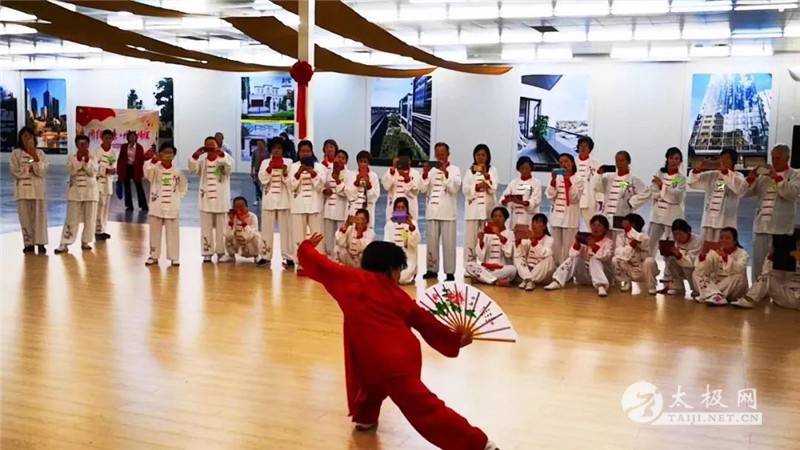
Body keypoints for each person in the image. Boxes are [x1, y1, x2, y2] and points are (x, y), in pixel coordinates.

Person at [296, 234, 499, 450]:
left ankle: (480, 445)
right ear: (390, 269)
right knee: (374, 384)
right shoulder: (397, 295)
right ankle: (365, 417)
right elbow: (425, 321)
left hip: (386, 359)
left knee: (424, 409)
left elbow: (320, 264)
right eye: (399, 269)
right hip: (397, 358)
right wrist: (454, 340)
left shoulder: (346, 278)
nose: (399, 275)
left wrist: (307, 246)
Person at [742, 144, 800, 284]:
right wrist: (751, 178)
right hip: (761, 226)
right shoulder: (763, 177)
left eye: (778, 158)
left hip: (781, 229)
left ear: (787, 158)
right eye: (773, 158)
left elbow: (791, 194)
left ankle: (778, 291)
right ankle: (757, 290)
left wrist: (776, 177)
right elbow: (744, 193)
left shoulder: (795, 174)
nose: (774, 161)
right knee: (759, 263)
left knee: (779, 266)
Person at [631, 147, 686, 256]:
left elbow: (676, 197)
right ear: (667, 159)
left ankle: (671, 267)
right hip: (657, 215)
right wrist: (663, 191)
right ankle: (648, 264)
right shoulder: (660, 173)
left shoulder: (680, 178)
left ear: (680, 161)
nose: (674, 161)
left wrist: (662, 186)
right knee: (650, 244)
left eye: (676, 158)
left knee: (671, 246)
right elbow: (654, 192)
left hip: (672, 216)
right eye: (671, 158)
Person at [420, 142, 462, 282]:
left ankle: (450, 272)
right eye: (437, 155)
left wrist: (446, 173)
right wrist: (425, 174)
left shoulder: (455, 170)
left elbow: (454, 188)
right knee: (431, 242)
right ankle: (431, 269)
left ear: (448, 154)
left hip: (448, 211)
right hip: (432, 211)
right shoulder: (431, 170)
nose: (440, 157)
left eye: (442, 154)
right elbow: (422, 189)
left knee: (449, 244)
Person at [545, 215, 614, 297]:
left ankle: (601, 286)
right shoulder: (586, 239)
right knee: (574, 259)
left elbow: (606, 256)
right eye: (594, 225)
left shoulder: (609, 242)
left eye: (599, 226)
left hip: (603, 275)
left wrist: (594, 246)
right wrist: (577, 244)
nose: (596, 228)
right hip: (586, 275)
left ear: (605, 229)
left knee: (594, 259)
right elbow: (572, 255)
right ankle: (558, 281)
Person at [189, 136, 234, 263]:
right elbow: (193, 169)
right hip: (206, 198)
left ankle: (221, 252)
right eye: (207, 144)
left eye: (212, 144)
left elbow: (230, 168)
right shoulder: (202, 161)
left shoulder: (224, 158)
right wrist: (196, 155)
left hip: (221, 198)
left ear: (217, 145)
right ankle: (207, 253)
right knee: (206, 227)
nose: (210, 146)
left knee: (222, 227)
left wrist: (221, 155)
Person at [688, 148, 748, 242]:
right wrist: (697, 170)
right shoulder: (713, 174)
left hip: (725, 221)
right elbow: (693, 183)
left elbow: (740, 189)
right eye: (721, 157)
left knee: (722, 247)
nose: (723, 160)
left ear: (733, 161)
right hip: (708, 220)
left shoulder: (737, 176)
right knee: (706, 247)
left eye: (726, 158)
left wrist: (725, 172)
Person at [143, 142, 188, 267]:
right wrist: (154, 160)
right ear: (160, 153)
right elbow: (147, 174)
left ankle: (174, 257)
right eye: (165, 152)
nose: (168, 155)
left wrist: (177, 198)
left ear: (174, 155)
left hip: (172, 206)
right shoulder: (154, 168)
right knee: (154, 233)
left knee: (173, 233)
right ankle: (153, 256)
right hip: (157, 205)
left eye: (170, 153)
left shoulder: (177, 172)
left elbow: (183, 186)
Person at [55, 135, 99, 254]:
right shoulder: (71, 158)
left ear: (88, 145)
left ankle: (86, 241)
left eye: (85, 144)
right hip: (75, 191)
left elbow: (93, 172)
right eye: (80, 144)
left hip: (90, 191)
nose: (82, 146)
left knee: (90, 218)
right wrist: (79, 160)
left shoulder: (93, 157)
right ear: (76, 145)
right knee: (71, 218)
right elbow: (71, 171)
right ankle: (64, 243)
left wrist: (87, 160)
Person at [289, 140, 326, 275]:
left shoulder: (319, 167)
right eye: (302, 151)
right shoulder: (293, 167)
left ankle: (318, 263)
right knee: (298, 235)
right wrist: (298, 173)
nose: (305, 154)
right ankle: (300, 263)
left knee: (317, 234)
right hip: (298, 206)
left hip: (314, 205)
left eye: (308, 151)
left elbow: (321, 186)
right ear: (298, 153)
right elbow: (290, 186)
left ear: (312, 152)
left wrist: (313, 173)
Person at [732, 237, 800, 310]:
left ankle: (749, 299)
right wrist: (771, 257)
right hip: (785, 293)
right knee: (766, 278)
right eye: (798, 244)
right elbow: (765, 273)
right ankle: (749, 300)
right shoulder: (781, 255)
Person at [11, 127, 49, 254]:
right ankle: (28, 243)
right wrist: (29, 170)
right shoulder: (16, 154)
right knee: (25, 218)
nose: (27, 138)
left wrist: (34, 156)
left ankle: (41, 243)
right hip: (22, 191)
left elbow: (42, 171)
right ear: (20, 138)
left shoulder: (40, 153)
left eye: (29, 136)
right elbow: (14, 171)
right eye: (24, 136)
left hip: (37, 190)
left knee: (40, 218)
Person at [258, 138, 294, 268]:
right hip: (269, 200)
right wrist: (269, 169)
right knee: (266, 229)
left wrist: (285, 173)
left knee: (286, 230)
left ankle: (289, 257)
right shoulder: (265, 162)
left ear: (283, 150)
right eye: (274, 148)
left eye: (279, 148)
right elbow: (262, 179)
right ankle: (265, 256)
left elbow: (291, 182)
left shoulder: (289, 162)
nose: (276, 150)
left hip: (284, 200)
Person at [595, 150, 645, 241]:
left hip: (622, 216)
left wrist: (631, 203)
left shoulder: (633, 179)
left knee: (620, 241)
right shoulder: (609, 178)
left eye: (622, 160)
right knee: (607, 242)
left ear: (629, 161)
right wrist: (599, 174)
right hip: (607, 216)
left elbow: (644, 194)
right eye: (617, 161)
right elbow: (598, 188)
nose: (619, 163)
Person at [692, 227, 749, 306]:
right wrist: (703, 255)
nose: (723, 240)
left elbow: (738, 269)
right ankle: (715, 296)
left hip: (733, 288)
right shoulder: (714, 252)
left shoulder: (743, 254)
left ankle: (710, 295)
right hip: (717, 284)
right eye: (721, 238)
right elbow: (702, 270)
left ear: (734, 241)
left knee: (738, 277)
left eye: (727, 238)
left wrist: (725, 257)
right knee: (696, 273)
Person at [545, 153, 584, 265]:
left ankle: (567, 270)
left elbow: (574, 198)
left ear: (572, 163)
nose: (563, 164)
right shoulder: (557, 178)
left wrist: (567, 180)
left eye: (566, 161)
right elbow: (550, 195)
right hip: (556, 217)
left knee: (568, 247)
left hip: (570, 218)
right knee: (555, 247)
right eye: (561, 162)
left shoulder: (578, 179)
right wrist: (553, 181)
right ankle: (556, 268)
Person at [463, 144, 498, 267]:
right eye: (478, 155)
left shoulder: (492, 170)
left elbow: (494, 188)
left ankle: (487, 265)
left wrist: (486, 176)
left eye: (483, 155)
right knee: (471, 240)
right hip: (473, 211)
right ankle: (470, 266)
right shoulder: (470, 170)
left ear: (487, 156)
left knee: (487, 238)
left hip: (488, 210)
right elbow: (465, 189)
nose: (480, 157)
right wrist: (477, 187)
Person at [464, 206, 516, 286]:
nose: (497, 219)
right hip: (486, 268)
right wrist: (481, 241)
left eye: (500, 216)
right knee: (469, 265)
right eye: (495, 216)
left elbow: (508, 254)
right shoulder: (486, 233)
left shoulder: (510, 233)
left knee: (513, 270)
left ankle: (482, 279)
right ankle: (496, 281)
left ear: (505, 219)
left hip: (501, 268)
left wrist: (499, 235)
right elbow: (481, 258)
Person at [612, 213, 658, 295]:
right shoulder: (620, 237)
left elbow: (642, 242)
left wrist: (631, 232)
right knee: (616, 259)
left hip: (643, 269)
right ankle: (626, 282)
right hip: (629, 268)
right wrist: (631, 245)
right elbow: (619, 252)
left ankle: (651, 286)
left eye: (627, 223)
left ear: (633, 224)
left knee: (650, 261)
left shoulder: (644, 236)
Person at [657, 219, 703, 298]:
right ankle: (677, 287)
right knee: (671, 259)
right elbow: (667, 261)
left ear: (688, 232)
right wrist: (665, 252)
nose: (677, 237)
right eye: (675, 234)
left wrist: (679, 255)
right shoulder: (671, 238)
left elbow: (693, 262)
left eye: (680, 234)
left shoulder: (697, 241)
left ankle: (695, 289)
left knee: (687, 267)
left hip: (692, 268)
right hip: (679, 267)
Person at [514, 213, 556, 291]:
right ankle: (528, 279)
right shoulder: (527, 238)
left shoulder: (550, 239)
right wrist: (518, 240)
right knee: (517, 257)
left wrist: (533, 240)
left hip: (544, 274)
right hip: (529, 270)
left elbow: (543, 254)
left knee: (549, 258)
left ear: (544, 226)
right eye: (533, 222)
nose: (534, 224)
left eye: (537, 222)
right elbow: (519, 253)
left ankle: (528, 280)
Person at [384, 197, 420, 284]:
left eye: (403, 207)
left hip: (408, 257)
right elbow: (387, 242)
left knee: (402, 277)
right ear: (394, 209)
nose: (400, 210)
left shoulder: (412, 223)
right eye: (398, 207)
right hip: (393, 257)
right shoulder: (389, 224)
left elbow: (415, 242)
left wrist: (411, 228)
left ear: (406, 209)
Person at [500, 156, 541, 229]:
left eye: (527, 168)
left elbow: (536, 200)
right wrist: (505, 200)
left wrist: (522, 202)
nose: (524, 170)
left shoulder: (536, 183)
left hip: (528, 216)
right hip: (515, 216)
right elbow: (504, 196)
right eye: (522, 168)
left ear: (531, 168)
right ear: (518, 169)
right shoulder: (513, 183)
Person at [381, 147, 420, 222]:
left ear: (410, 161)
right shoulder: (391, 171)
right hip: (394, 206)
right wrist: (393, 168)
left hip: (409, 206)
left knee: (408, 227)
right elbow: (386, 186)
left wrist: (407, 180)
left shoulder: (415, 173)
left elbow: (415, 192)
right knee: (394, 227)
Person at [345, 151, 380, 229]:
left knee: (367, 232)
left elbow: (375, 196)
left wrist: (369, 185)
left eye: (365, 162)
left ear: (368, 163)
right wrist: (356, 182)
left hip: (368, 211)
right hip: (354, 210)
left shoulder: (373, 176)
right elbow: (348, 193)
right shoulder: (351, 174)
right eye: (361, 161)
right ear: (358, 163)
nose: (363, 164)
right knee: (352, 231)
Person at [93, 129, 116, 241]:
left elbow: (113, 165)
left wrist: (112, 170)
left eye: (110, 138)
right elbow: (94, 166)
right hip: (98, 181)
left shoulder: (113, 152)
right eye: (106, 138)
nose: (108, 140)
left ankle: (102, 229)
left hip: (108, 182)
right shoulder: (96, 151)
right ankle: (96, 230)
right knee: (99, 205)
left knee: (106, 207)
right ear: (102, 138)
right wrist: (104, 170)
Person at [223, 196, 263, 263]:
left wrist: (243, 222)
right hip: (237, 245)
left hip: (249, 246)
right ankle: (231, 255)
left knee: (256, 236)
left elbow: (250, 236)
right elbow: (228, 235)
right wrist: (231, 221)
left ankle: (256, 256)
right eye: (237, 207)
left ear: (247, 207)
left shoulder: (253, 217)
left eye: (242, 207)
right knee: (227, 235)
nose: (239, 209)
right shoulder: (230, 217)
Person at [116, 130, 147, 211]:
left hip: (136, 168)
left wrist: (140, 170)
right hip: (126, 168)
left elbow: (141, 160)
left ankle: (144, 205)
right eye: (130, 136)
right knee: (127, 187)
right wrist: (119, 170)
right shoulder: (124, 147)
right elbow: (120, 159)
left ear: (136, 137)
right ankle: (129, 206)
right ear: (128, 138)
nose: (132, 138)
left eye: (134, 136)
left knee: (139, 187)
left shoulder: (139, 147)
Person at [575, 136, 602, 230]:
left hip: (590, 199)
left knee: (591, 226)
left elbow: (599, 182)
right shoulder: (572, 162)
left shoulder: (596, 163)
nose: (583, 148)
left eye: (586, 146)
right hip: (574, 200)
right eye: (581, 146)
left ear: (590, 148)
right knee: (573, 226)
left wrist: (600, 198)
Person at [250, 139, 269, 207]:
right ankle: (257, 199)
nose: (259, 145)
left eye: (260, 143)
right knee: (257, 186)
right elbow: (252, 162)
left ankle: (264, 198)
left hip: (264, 171)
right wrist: (252, 171)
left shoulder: (267, 153)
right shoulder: (255, 152)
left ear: (263, 144)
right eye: (257, 144)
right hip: (257, 171)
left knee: (263, 186)